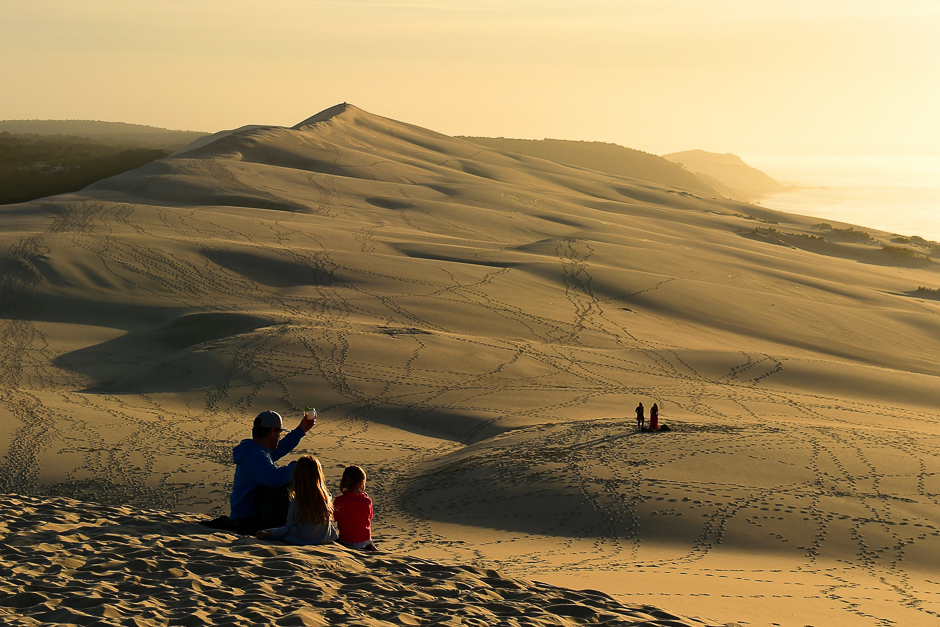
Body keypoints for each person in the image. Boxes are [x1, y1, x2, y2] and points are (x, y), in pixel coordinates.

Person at [229, 408, 317, 535]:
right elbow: (276, 478)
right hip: (246, 523)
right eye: (279, 432)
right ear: (272, 431)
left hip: (246, 519)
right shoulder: (255, 455)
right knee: (285, 485)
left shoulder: (253, 450)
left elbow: (278, 449)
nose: (280, 437)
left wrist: (301, 430)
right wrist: (299, 466)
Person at [256, 455, 339, 545]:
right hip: (324, 539)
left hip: (302, 540)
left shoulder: (298, 502)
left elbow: (288, 527)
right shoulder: (326, 498)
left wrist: (269, 533)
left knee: (270, 537)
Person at [333, 465, 378, 551]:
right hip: (365, 541)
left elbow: (334, 517)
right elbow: (370, 517)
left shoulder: (340, 500)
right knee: (369, 542)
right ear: (361, 483)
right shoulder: (367, 501)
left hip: (346, 541)